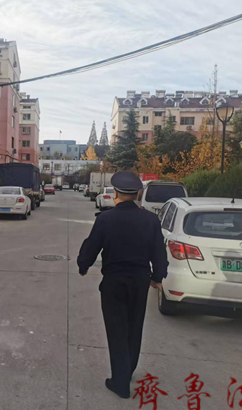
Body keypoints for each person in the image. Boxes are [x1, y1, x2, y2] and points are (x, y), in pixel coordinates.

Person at [77, 171, 168, 399]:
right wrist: (158, 277)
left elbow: (91, 246)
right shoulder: (150, 220)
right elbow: (159, 252)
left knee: (116, 329)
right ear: (137, 194)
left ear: (116, 194)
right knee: (134, 326)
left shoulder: (105, 219)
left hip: (114, 282)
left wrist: (83, 265)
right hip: (139, 281)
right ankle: (128, 370)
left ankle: (120, 382)